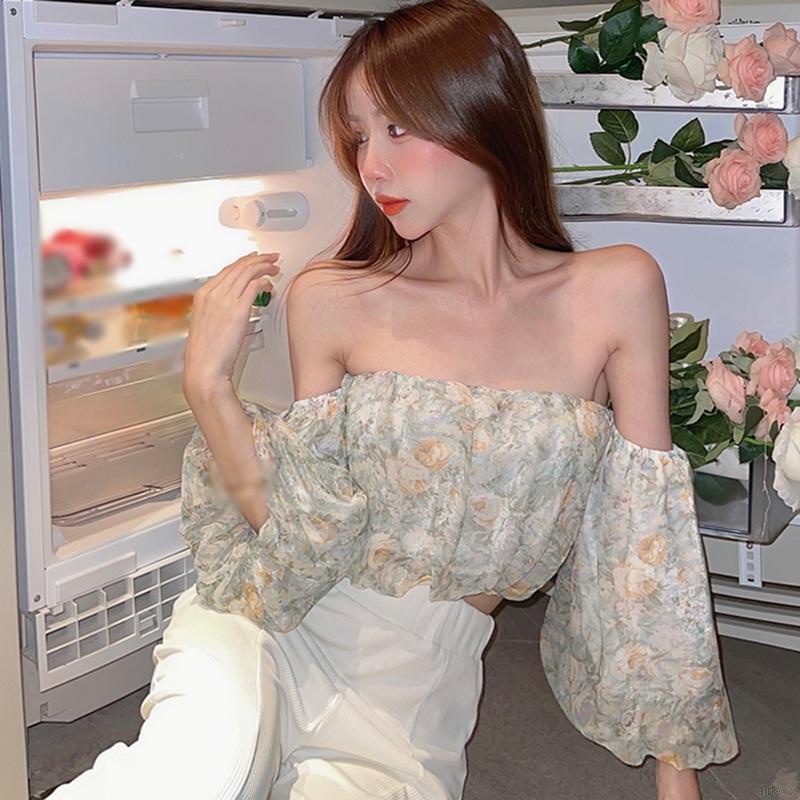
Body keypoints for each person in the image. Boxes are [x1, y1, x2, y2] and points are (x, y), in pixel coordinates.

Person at [49, 0, 739, 798]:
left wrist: (677, 779)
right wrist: (208, 390)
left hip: (410, 699)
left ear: (482, 110)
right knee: (189, 774)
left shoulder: (614, 288)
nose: (371, 166)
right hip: (264, 625)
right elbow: (295, 534)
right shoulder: (334, 298)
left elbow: (644, 541)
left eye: (398, 128)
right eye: (358, 136)